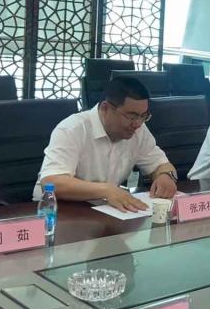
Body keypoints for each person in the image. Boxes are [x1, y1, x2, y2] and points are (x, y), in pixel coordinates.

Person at [38, 76, 178, 212]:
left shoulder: (138, 130)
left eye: (143, 116)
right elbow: (51, 182)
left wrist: (165, 176)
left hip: (104, 211)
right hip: (54, 211)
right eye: (131, 116)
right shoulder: (72, 129)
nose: (138, 124)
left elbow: (162, 165)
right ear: (105, 108)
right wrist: (107, 190)